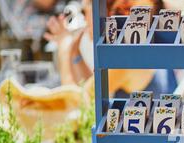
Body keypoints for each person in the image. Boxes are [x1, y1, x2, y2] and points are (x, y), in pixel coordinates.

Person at [44, 0, 176, 98]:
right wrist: (74, 51)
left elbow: (78, 102)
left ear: (102, 12)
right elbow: (88, 85)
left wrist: (64, 47)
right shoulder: (128, 41)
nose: (82, 19)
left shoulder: (124, 55)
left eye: (84, 12)